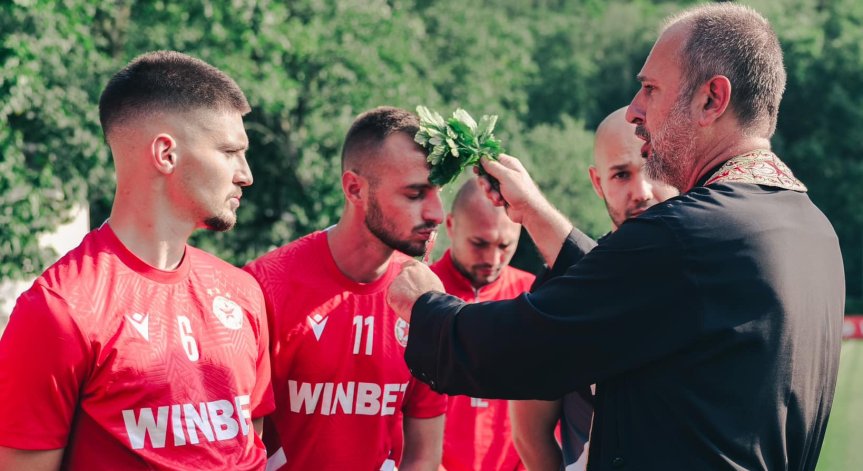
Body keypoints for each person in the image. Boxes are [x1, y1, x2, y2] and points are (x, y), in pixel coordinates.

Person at [387, 4, 844, 470]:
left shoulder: (689, 234)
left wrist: (427, 308)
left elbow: (531, 346)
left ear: (711, 100)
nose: (634, 110)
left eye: (650, 89)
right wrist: (534, 213)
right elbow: (629, 292)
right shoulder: (813, 230)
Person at [0, 51, 274, 470]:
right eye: (229, 151)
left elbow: (250, 443)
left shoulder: (241, 291)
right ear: (166, 153)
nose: (246, 174)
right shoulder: (62, 308)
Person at [244, 106, 447, 471]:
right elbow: (243, 445)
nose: (437, 214)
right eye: (415, 194)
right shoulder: (264, 285)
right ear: (355, 189)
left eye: (438, 193)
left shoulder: (425, 299)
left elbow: (423, 454)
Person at [509, 107, 677, 471]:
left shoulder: (714, 266)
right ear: (597, 183)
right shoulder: (562, 283)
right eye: (621, 174)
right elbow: (529, 431)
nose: (641, 191)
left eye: (652, 166)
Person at [432, 178, 535, 471]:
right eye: (479, 243)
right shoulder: (422, 296)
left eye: (505, 245)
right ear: (450, 226)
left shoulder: (534, 297)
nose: (492, 259)